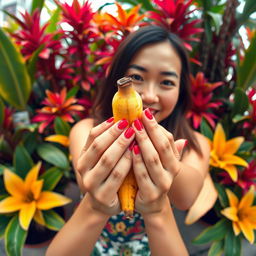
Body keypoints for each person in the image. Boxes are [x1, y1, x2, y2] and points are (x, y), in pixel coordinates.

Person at [46, 25, 211, 256]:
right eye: (136, 77)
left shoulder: (194, 144)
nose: (150, 96)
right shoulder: (87, 131)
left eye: (167, 82)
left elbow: (185, 199)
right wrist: (96, 205)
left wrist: (158, 202)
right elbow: (86, 184)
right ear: (116, 79)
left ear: (181, 91)